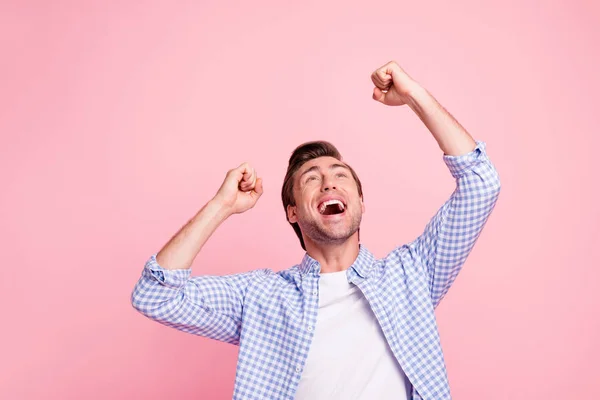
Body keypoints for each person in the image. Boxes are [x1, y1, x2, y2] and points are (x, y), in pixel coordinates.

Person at [131, 61, 501, 400]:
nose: (328, 183)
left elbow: (481, 184)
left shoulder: (412, 276)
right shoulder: (260, 297)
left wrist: (413, 96)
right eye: (312, 178)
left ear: (360, 201)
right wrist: (221, 206)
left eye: (341, 176)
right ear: (292, 212)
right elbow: (155, 296)